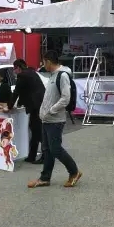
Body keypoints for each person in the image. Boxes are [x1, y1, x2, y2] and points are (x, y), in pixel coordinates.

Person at [27, 50, 82, 188]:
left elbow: (65, 98)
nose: (43, 65)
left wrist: (51, 110)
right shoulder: (53, 75)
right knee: (47, 150)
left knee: (55, 149)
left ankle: (74, 172)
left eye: (44, 62)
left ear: (48, 61)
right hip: (47, 120)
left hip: (55, 120)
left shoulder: (62, 75)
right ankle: (45, 178)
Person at [5, 59, 46, 164]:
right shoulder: (31, 72)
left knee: (37, 131)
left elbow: (16, 92)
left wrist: (9, 106)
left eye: (14, 69)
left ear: (18, 68)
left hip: (35, 106)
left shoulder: (22, 76)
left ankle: (45, 155)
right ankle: (32, 155)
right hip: (40, 104)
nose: (14, 71)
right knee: (35, 129)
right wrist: (19, 103)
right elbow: (25, 91)